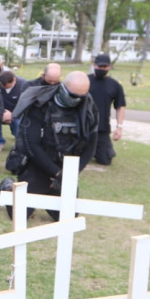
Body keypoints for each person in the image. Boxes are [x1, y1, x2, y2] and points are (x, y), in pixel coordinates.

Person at [7, 71, 98, 220]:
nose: (78, 100)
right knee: (18, 215)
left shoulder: (88, 108)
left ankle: (52, 193)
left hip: (66, 168)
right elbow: (32, 145)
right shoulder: (39, 104)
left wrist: (69, 174)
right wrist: (56, 172)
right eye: (73, 95)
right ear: (62, 87)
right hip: (39, 165)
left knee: (67, 217)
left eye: (82, 96)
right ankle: (8, 186)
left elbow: (91, 144)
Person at [88, 53, 126, 166]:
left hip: (102, 128)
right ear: (94, 65)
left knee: (105, 161)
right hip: (83, 127)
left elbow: (120, 106)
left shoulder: (115, 85)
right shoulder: (84, 81)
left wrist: (119, 127)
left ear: (109, 67)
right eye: (99, 66)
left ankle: (102, 150)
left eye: (104, 67)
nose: (102, 69)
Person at [0, 70, 27, 152]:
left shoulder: (24, 84)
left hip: (18, 113)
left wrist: (13, 114)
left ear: (14, 80)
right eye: (2, 85)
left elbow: (25, 104)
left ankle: (18, 142)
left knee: (18, 123)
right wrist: (2, 112)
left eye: (7, 86)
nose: (4, 87)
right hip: (0, 111)